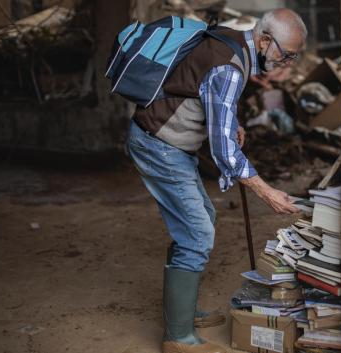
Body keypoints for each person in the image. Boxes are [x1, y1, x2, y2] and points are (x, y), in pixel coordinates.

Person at [126, 8, 307, 353]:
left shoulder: (234, 42)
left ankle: (182, 312)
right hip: (159, 146)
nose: (288, 63)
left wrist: (232, 121)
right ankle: (178, 339)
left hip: (167, 142)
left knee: (199, 222)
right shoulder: (229, 65)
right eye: (287, 55)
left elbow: (209, 92)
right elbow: (223, 151)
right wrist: (266, 191)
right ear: (266, 41)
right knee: (197, 232)